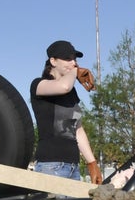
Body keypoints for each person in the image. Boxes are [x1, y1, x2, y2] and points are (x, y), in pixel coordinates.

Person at [30, 39, 103, 184]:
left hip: (73, 167)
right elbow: (63, 86)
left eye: (74, 59)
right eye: (68, 59)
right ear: (53, 61)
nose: (74, 63)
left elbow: (77, 129)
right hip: (50, 166)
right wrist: (75, 72)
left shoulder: (71, 92)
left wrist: (92, 164)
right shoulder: (39, 84)